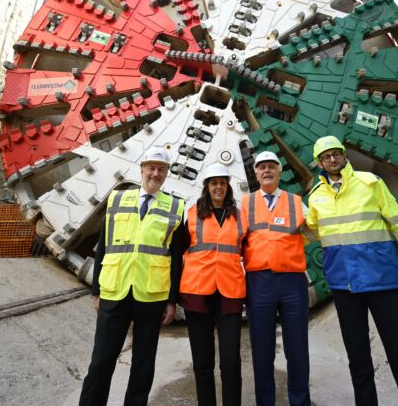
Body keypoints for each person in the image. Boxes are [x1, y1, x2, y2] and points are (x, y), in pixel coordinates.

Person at [305, 136, 398, 406]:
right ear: (319, 163)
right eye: (326, 157)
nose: (332, 159)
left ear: (343, 155)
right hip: (344, 286)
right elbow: (308, 233)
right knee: (358, 360)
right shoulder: (316, 198)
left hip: (382, 280)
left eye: (335, 153)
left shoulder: (370, 183)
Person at [79, 147, 186, 406]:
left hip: (151, 296)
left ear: (166, 174)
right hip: (115, 292)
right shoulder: (118, 200)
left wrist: (171, 301)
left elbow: (176, 259)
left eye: (161, 169)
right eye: (151, 167)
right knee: (101, 361)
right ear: (142, 170)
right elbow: (104, 246)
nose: (155, 173)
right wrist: (97, 291)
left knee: (143, 364)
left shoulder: (176, 207)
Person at [242, 151, 311, 406]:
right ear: (256, 173)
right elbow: (235, 239)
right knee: (262, 349)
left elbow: (314, 230)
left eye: (272, 166)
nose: (267, 171)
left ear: (279, 171)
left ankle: (300, 401)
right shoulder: (245, 204)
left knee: (297, 348)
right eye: (262, 167)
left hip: (293, 282)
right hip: (259, 282)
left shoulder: (295, 201)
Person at [179, 163, 247, 406]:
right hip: (197, 292)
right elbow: (177, 253)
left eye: (222, 183)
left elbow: (249, 252)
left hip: (230, 293)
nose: (218, 187)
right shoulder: (190, 213)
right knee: (202, 361)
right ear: (206, 187)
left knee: (230, 360)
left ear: (227, 186)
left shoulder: (239, 215)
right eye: (213, 183)